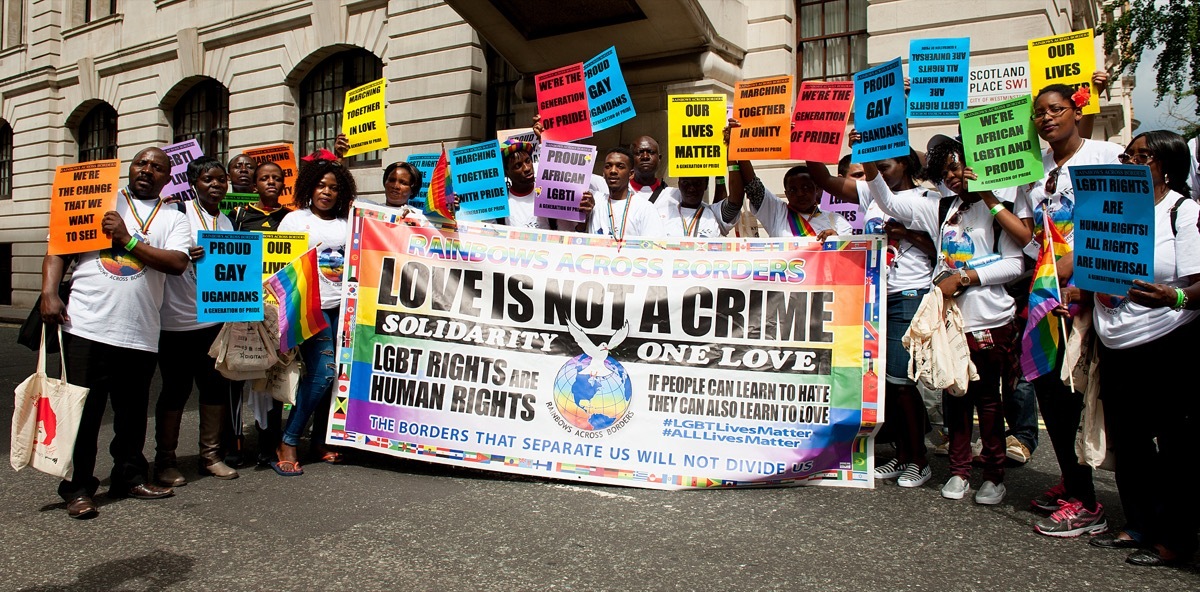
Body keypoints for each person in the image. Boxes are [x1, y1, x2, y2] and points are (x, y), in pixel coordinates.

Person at [868, 136, 1024, 504]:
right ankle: (958, 470)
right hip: (949, 319)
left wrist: (966, 278)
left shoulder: (999, 208)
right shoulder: (939, 208)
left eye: (960, 167)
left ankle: (993, 476)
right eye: (947, 170)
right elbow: (887, 201)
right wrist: (871, 153)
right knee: (955, 397)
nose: (954, 175)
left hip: (988, 317)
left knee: (988, 400)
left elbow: (1016, 264)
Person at [39, 147, 191, 518]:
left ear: (167, 179)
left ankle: (130, 477)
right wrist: (48, 291)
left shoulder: (174, 217)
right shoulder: (99, 202)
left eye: (157, 167)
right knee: (84, 415)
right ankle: (77, 488)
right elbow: (58, 248)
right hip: (87, 326)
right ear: (129, 168)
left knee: (132, 414)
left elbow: (177, 262)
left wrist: (127, 240)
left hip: (139, 332)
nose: (147, 171)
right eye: (141, 163)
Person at [1001, 83, 1124, 536]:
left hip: (1097, 298)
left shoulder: (1107, 156)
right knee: (1053, 394)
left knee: (1095, 396)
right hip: (1047, 297)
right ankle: (1075, 486)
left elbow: (1122, 224)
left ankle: (1095, 503)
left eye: (1056, 109)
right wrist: (993, 201)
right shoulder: (1033, 173)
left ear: (1076, 110)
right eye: (1039, 113)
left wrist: (1075, 267)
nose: (1047, 118)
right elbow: (1031, 239)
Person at [1087, 131, 1200, 566]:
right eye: (1127, 155)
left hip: (1166, 341)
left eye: (1143, 156)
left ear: (1167, 165)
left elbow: (1195, 284)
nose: (1132, 162)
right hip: (1116, 340)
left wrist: (1174, 298)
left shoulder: (1182, 212)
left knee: (1174, 446)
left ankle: (1176, 538)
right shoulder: (1108, 209)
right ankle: (1138, 524)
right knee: (1130, 441)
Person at [806, 148, 937, 488]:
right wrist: (808, 140)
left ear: (905, 164)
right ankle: (901, 452)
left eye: (885, 166)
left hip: (909, 292)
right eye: (875, 167)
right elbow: (822, 179)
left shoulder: (927, 197)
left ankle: (918, 458)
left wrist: (905, 234)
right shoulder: (872, 195)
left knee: (900, 379)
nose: (879, 172)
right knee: (883, 382)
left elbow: (939, 249)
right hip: (876, 294)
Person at [154, 157, 239, 487]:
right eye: (208, 179)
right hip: (175, 321)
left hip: (214, 323)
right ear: (193, 183)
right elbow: (161, 253)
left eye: (221, 180)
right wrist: (184, 254)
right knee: (175, 390)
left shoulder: (228, 222)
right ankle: (165, 461)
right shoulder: (177, 214)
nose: (216, 185)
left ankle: (210, 456)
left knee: (214, 387)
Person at [273, 154, 356, 476]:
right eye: (321, 185)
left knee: (333, 377)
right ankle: (288, 440)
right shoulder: (295, 220)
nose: (326, 192)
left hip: (343, 309)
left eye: (333, 187)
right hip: (309, 308)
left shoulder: (347, 223)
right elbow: (279, 264)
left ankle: (320, 441)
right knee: (324, 372)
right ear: (309, 188)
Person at [229, 160, 293, 468]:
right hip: (244, 306)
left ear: (283, 184)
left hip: (277, 309)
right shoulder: (239, 216)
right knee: (238, 375)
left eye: (276, 178)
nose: (271, 182)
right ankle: (234, 445)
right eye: (264, 178)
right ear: (254, 185)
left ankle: (268, 444)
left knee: (271, 376)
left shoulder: (292, 219)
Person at [578, 147, 666, 239]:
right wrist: (584, 218)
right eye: (608, 166)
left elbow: (655, 247)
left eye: (620, 166)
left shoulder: (645, 208)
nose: (613, 171)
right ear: (603, 173)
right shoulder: (593, 200)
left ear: (631, 174)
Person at [496, 138, 552, 229]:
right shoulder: (501, 206)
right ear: (506, 172)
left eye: (528, 161)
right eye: (518, 165)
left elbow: (567, 232)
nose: (527, 168)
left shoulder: (548, 195)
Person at [657, 176, 731, 238]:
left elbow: (734, 204)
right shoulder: (663, 214)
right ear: (679, 184)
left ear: (706, 185)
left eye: (697, 183)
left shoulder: (712, 213)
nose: (691, 189)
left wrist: (720, 173)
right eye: (685, 183)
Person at [628, 136, 681, 204]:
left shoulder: (674, 196)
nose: (645, 157)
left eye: (651, 152)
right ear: (630, 159)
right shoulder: (618, 193)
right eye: (639, 152)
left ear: (659, 158)